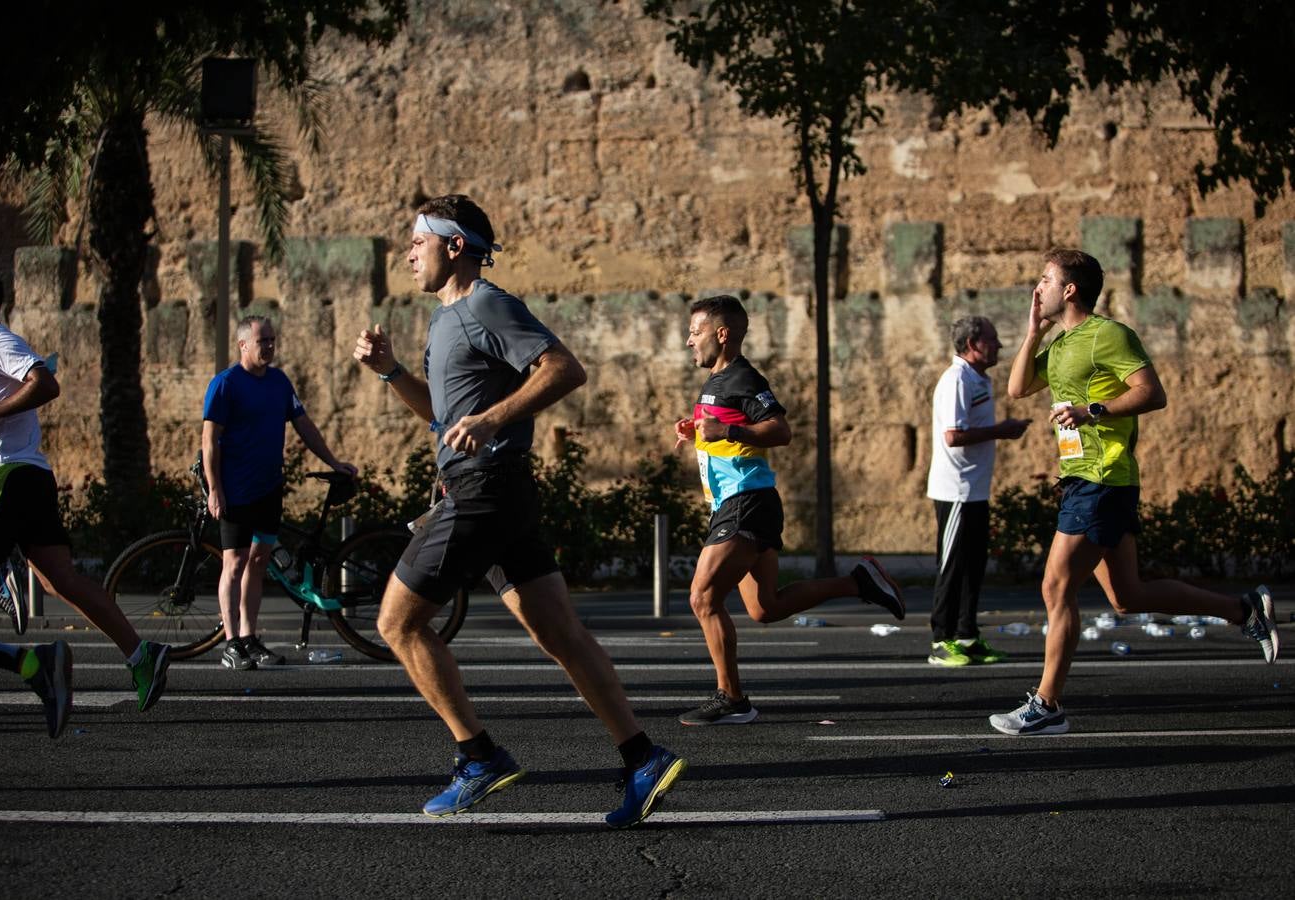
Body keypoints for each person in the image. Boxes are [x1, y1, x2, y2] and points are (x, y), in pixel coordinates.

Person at [352, 194, 684, 828]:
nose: (408, 252)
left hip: (485, 491)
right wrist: (391, 370)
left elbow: (564, 369)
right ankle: (642, 758)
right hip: (498, 490)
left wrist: (496, 416)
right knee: (558, 632)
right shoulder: (447, 320)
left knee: (396, 623)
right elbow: (445, 420)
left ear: (455, 245)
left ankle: (478, 758)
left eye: (419, 240)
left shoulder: (485, 303)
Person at [990, 248, 1279, 735]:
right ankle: (1242, 609)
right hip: (1085, 479)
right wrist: (1034, 330)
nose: (1036, 288)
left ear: (1070, 289)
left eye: (1045, 279)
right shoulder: (1061, 344)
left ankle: (1047, 704)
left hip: (1104, 478)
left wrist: (1093, 411)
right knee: (1128, 595)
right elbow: (1018, 388)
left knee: (1056, 587)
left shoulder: (1108, 335)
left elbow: (1152, 392)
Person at [0, 264, 169, 735]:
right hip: (30, 476)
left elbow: (46, 383)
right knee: (58, 581)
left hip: (3, 478)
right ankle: (140, 652)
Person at [673, 295, 905, 726]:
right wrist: (699, 432)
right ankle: (858, 582)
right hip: (739, 503)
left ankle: (732, 699)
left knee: (703, 598)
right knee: (766, 607)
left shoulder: (743, 377)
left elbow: (779, 430)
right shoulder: (717, 381)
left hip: (746, 503)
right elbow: (728, 432)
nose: (688, 340)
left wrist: (725, 428)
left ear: (722, 334)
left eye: (695, 332)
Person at [202, 315, 356, 670]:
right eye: (262, 341)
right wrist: (215, 489)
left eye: (272, 340)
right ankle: (231, 643)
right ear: (243, 345)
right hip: (235, 491)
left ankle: (250, 638)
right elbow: (209, 441)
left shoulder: (279, 382)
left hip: (269, 488)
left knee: (258, 562)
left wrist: (334, 461)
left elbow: (304, 426)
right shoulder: (225, 384)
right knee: (235, 562)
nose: (269, 346)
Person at [925, 316, 1031, 666]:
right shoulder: (956, 379)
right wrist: (1001, 431)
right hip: (955, 490)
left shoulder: (977, 378)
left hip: (975, 490)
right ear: (971, 345)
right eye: (992, 338)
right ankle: (942, 640)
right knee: (952, 566)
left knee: (973, 566)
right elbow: (953, 436)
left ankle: (967, 635)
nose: (998, 345)